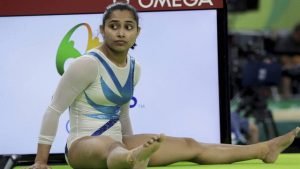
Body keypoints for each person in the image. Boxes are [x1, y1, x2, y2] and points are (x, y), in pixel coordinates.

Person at [29, 2, 300, 169]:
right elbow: (53, 110)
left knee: (191, 145)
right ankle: (132, 158)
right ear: (102, 30)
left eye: (127, 26)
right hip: (81, 146)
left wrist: (130, 141)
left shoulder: (134, 69)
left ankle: (263, 150)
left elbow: (122, 114)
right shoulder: (86, 64)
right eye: (113, 26)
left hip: (119, 142)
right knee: (113, 150)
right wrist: (41, 161)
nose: (121, 32)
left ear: (137, 32)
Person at [274, 23, 300, 98]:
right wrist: (292, 64)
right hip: (283, 66)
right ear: (296, 33)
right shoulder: (285, 41)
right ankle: (286, 96)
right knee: (286, 74)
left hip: (296, 66)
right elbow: (283, 58)